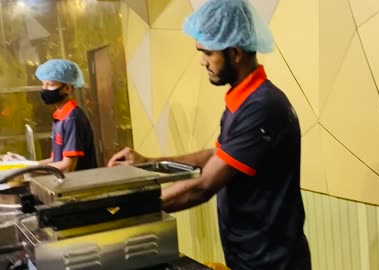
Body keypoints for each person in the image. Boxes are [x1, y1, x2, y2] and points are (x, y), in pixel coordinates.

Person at [108, 0, 311, 269]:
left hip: (272, 260)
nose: (202, 62)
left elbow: (203, 187)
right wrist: (148, 162)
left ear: (235, 53)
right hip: (250, 255)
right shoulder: (243, 101)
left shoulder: (262, 107)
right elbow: (216, 155)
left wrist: (130, 209)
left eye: (207, 53)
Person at [2, 59, 97, 172]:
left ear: (67, 89)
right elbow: (55, 159)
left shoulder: (72, 118)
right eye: (43, 84)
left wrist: (26, 169)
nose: (44, 89)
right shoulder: (60, 116)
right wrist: (22, 164)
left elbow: (67, 166)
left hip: (79, 185)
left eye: (50, 85)